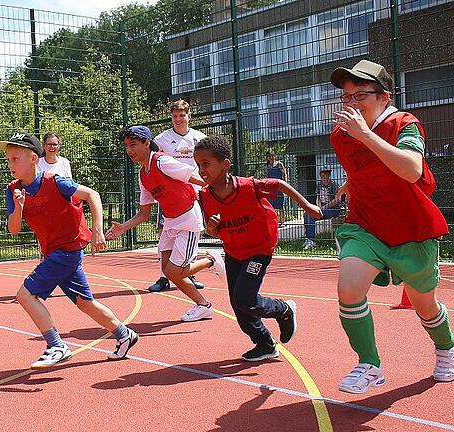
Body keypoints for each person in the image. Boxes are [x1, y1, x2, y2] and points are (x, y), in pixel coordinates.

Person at [328, 59, 453, 393]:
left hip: (412, 230)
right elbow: (364, 171)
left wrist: (366, 136)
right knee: (349, 288)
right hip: (365, 225)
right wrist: (349, 184)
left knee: (425, 306)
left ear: (384, 97)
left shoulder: (404, 124)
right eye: (346, 97)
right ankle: (369, 365)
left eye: (360, 96)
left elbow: (411, 169)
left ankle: (446, 347)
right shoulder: (341, 136)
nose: (351, 104)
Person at [0, 132, 138, 368]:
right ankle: (124, 334)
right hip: (53, 251)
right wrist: (19, 207)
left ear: (33, 158)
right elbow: (13, 229)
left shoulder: (55, 182)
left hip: (68, 250)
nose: (10, 164)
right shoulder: (13, 190)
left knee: (24, 294)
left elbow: (92, 194)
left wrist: (97, 230)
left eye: (15, 158)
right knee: (85, 303)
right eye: (8, 159)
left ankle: (56, 345)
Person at [195, 135, 322, 361]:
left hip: (260, 249)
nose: (201, 169)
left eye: (206, 164)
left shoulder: (248, 186)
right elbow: (212, 230)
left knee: (246, 299)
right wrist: (211, 228)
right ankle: (264, 343)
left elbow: (280, 185)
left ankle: (284, 309)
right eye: (198, 165)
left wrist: (307, 206)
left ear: (225, 165)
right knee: (238, 304)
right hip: (234, 250)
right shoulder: (205, 196)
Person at [105, 126, 223, 322]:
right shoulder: (143, 175)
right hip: (170, 223)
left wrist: (221, 190)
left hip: (188, 221)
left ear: (146, 143)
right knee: (169, 272)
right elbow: (144, 214)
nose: (129, 150)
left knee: (174, 272)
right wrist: (123, 228)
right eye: (126, 146)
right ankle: (203, 306)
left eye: (133, 144)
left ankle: (211, 260)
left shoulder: (163, 162)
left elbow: (196, 178)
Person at [149, 99, 207, 293]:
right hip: (169, 195)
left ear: (189, 116)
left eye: (182, 115)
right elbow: (152, 162)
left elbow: (207, 162)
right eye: (175, 116)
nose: (178, 119)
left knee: (192, 233)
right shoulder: (162, 139)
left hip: (194, 193)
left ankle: (188, 274)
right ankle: (163, 277)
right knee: (164, 234)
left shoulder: (199, 138)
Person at [302, 166, 343, 250]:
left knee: (311, 215)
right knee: (307, 213)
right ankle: (308, 239)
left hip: (333, 210)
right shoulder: (319, 185)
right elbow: (318, 198)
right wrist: (317, 208)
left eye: (326, 175)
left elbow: (337, 199)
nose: (324, 177)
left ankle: (311, 240)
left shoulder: (334, 184)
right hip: (323, 209)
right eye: (323, 175)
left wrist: (324, 208)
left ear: (329, 175)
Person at [265, 150, 287, 225]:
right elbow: (267, 177)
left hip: (279, 186)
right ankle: (275, 221)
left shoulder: (279, 164)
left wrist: (285, 184)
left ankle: (282, 221)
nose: (271, 157)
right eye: (269, 156)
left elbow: (284, 174)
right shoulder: (267, 166)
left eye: (272, 155)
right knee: (272, 205)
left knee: (280, 204)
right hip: (271, 187)